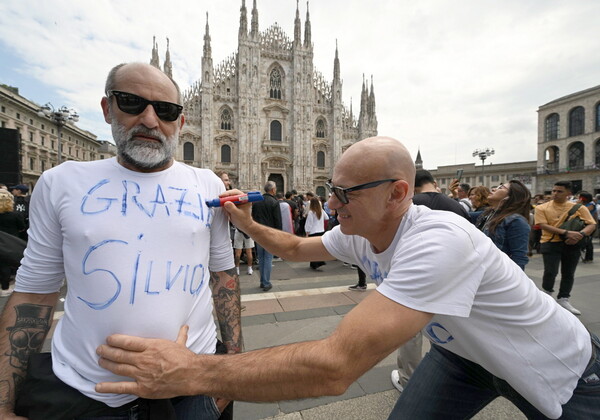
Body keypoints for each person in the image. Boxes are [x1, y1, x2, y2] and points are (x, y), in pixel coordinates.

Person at [96, 137, 599, 420]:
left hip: (558, 369)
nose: (331, 206)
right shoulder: (361, 229)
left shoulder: (442, 240)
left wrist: (193, 372)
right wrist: (248, 225)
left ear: (398, 192)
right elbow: (295, 247)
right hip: (463, 356)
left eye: (343, 194)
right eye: (329, 191)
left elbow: (335, 368)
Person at [0, 62, 242, 420]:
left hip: (193, 387)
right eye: (131, 102)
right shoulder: (61, 182)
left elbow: (224, 278)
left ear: (180, 121)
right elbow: (35, 293)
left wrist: (231, 375)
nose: (149, 119)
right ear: (107, 107)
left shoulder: (207, 184)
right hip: (85, 395)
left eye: (165, 110)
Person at [390, 168, 470, 393]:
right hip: (452, 277)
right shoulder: (456, 206)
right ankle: (445, 377)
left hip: (413, 276)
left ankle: (408, 379)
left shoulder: (410, 204)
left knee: (410, 332)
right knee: (444, 329)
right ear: (434, 182)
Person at [535, 181, 596, 315]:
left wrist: (580, 235)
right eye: (554, 191)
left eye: (559, 191)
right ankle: (547, 296)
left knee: (569, 272)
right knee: (550, 271)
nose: (555, 194)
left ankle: (563, 298)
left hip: (572, 243)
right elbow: (543, 225)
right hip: (550, 242)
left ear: (569, 194)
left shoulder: (579, 208)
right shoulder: (542, 207)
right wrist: (566, 233)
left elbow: (591, 224)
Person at [478, 180, 531, 270]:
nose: (494, 189)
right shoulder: (489, 214)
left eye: (501, 188)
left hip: (498, 272)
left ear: (509, 197)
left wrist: (515, 280)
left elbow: (519, 257)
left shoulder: (516, 221)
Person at [251, 181, 281, 291]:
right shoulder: (274, 202)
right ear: (273, 190)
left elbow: (253, 218)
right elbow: (277, 221)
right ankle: (266, 282)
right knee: (268, 258)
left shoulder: (257, 202)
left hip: (259, 234)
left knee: (261, 258)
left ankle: (262, 281)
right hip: (270, 234)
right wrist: (279, 235)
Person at [0, 190, 25, 297]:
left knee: (2, 264)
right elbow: (22, 227)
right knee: (13, 263)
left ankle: (4, 286)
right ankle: (9, 286)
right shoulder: (16, 215)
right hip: (12, 241)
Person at [304, 196, 326, 270]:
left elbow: (309, 224)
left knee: (312, 248)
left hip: (313, 232)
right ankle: (317, 262)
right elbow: (327, 218)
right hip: (321, 231)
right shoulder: (321, 211)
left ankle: (314, 263)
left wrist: (307, 233)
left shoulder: (311, 212)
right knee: (319, 247)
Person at [578, 191, 597, 263]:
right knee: (584, 241)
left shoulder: (591, 204)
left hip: (589, 224)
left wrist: (579, 204)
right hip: (583, 224)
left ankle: (589, 257)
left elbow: (584, 211)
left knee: (588, 241)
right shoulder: (584, 204)